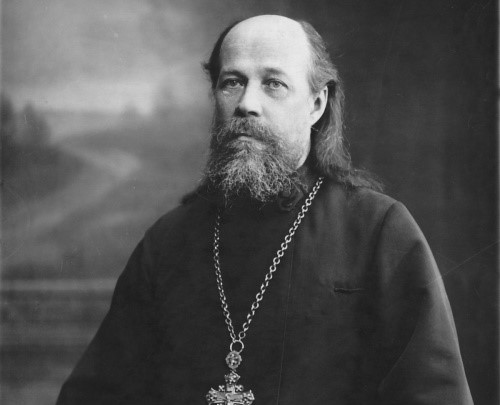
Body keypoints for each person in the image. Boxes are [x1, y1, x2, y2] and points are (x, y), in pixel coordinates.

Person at [57, 15, 473, 405]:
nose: (247, 103)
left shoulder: (380, 231)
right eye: (232, 82)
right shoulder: (166, 243)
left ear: (316, 104)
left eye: (273, 84)